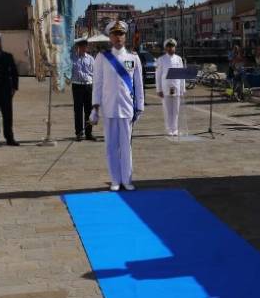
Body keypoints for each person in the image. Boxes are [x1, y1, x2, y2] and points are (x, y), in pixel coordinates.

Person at [91, 20, 144, 191]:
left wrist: (140, 106)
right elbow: (97, 83)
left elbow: (138, 84)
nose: (118, 37)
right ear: (110, 37)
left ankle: (127, 179)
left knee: (126, 146)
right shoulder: (102, 57)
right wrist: (95, 107)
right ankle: (115, 179)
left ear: (125, 36)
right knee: (111, 145)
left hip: (127, 108)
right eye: (114, 34)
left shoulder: (133, 58)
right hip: (109, 107)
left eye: (121, 34)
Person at [156, 38, 186, 136]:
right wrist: (159, 89)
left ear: (175, 48)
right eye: (168, 47)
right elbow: (158, 75)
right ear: (165, 48)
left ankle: (175, 129)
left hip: (176, 86)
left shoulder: (179, 59)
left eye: (172, 46)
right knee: (167, 110)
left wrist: (182, 88)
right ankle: (169, 129)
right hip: (166, 87)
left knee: (176, 110)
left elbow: (182, 75)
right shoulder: (161, 59)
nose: (170, 48)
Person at [71, 37, 95, 141]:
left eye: (85, 46)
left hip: (88, 86)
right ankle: (79, 133)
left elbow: (94, 72)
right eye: (81, 46)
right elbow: (74, 72)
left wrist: (87, 76)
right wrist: (87, 75)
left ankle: (89, 133)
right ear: (78, 47)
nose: (83, 48)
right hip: (77, 86)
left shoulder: (90, 58)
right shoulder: (73, 58)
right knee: (78, 110)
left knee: (89, 110)